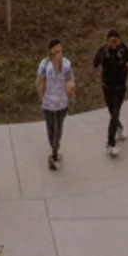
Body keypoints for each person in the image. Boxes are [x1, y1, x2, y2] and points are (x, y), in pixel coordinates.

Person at [35, 39, 76, 170]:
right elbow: (39, 80)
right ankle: (54, 152)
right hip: (49, 103)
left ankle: (54, 149)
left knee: (59, 128)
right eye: (56, 51)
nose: (59, 54)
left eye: (60, 51)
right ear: (50, 52)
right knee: (52, 128)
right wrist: (40, 94)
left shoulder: (66, 64)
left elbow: (70, 79)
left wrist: (71, 91)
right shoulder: (44, 64)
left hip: (62, 102)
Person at [93, 29, 128, 155]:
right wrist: (101, 56)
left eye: (116, 40)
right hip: (108, 87)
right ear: (107, 41)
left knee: (115, 112)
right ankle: (119, 127)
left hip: (120, 87)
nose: (114, 43)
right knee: (113, 112)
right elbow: (95, 64)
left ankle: (110, 143)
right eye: (111, 41)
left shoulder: (123, 50)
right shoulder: (104, 51)